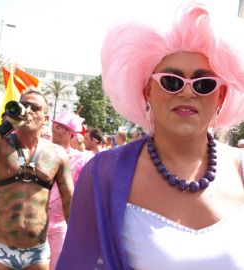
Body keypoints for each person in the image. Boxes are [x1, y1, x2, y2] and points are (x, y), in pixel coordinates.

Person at [56, 1, 244, 269]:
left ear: (220, 96)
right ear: (147, 91)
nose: (187, 92)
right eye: (171, 80)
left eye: (203, 84)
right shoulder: (103, 174)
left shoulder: (241, 168)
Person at [0, 89, 74, 270]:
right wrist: (6, 126)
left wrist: (79, 243)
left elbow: (70, 203)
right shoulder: (0, 146)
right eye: (23, 105)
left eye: (34, 107)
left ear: (45, 118)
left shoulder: (57, 154)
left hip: (37, 253)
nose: (27, 110)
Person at [49, 111, 93, 270]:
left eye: (59, 127)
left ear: (70, 133)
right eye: (54, 126)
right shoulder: (41, 153)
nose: (53, 129)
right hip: (36, 223)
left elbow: (84, 196)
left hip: (61, 224)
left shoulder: (81, 160)